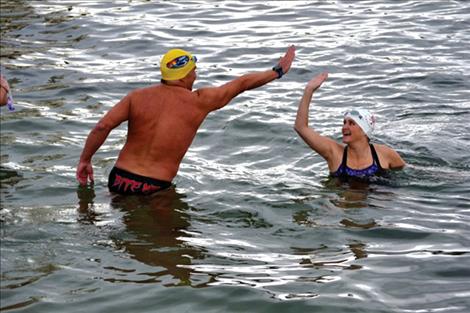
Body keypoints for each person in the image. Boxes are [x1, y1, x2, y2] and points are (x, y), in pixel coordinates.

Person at [77, 45, 296, 194]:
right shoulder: (199, 101)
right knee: (169, 247)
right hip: (155, 186)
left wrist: (85, 160)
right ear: (183, 76)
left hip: (119, 179)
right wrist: (277, 71)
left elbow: (102, 126)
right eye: (193, 70)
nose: (196, 75)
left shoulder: (137, 97)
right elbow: (241, 83)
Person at [294, 72, 405, 180]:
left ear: (364, 130)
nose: (345, 127)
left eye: (351, 123)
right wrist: (309, 90)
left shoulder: (384, 154)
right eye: (344, 122)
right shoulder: (334, 153)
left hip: (375, 196)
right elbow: (301, 127)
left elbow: (407, 174)